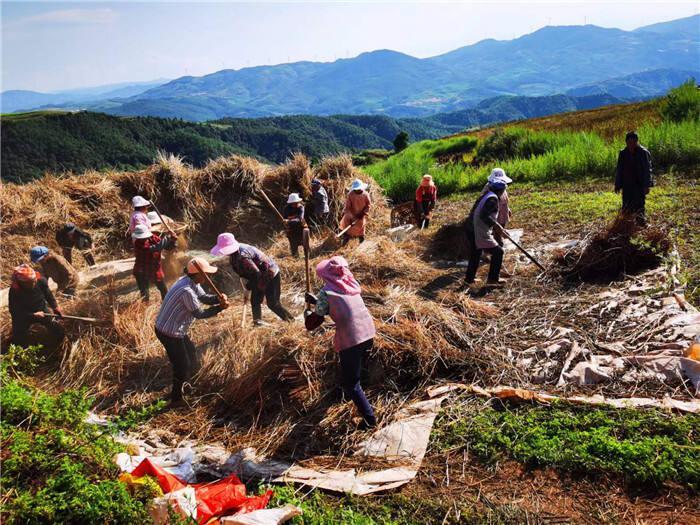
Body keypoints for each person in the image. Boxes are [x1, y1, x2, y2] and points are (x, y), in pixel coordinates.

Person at [304, 256, 377, 430]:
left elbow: (315, 320)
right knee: (358, 368)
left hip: (351, 339)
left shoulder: (326, 293)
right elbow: (337, 303)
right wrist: (316, 301)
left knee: (351, 383)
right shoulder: (351, 284)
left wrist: (308, 313)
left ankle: (369, 419)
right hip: (368, 332)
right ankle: (362, 391)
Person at [154, 257, 229, 405]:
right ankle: (176, 398)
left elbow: (204, 298)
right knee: (181, 365)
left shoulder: (190, 281)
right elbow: (199, 314)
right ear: (197, 275)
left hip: (175, 328)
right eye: (206, 274)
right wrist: (220, 308)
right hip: (169, 332)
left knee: (191, 352)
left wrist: (218, 298)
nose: (208, 276)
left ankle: (190, 384)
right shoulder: (186, 290)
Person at [210, 233, 294, 326]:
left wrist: (248, 286)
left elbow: (256, 274)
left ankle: (290, 320)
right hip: (258, 276)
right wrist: (248, 285)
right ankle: (258, 323)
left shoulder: (243, 256)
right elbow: (246, 273)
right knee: (255, 301)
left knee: (273, 304)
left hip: (269, 274)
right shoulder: (234, 255)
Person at [464, 180, 508, 287]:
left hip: (472, 228)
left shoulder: (487, 195)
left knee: (476, 252)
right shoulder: (492, 199)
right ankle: (493, 279)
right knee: (498, 252)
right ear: (501, 191)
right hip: (479, 230)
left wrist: (498, 227)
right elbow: (484, 216)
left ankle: (469, 279)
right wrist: (498, 227)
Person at [9, 264, 65, 347]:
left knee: (56, 328)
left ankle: (57, 346)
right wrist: (32, 315)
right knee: (18, 336)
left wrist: (55, 307)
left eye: (35, 280)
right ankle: (21, 351)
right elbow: (14, 311)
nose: (34, 282)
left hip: (41, 308)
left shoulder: (41, 281)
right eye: (30, 282)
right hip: (24, 313)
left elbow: (48, 294)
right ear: (22, 283)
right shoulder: (15, 291)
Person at [615, 131, 653, 224]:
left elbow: (647, 170)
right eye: (629, 142)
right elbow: (619, 169)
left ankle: (641, 224)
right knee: (626, 205)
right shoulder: (623, 153)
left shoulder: (643, 153)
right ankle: (627, 224)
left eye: (633, 142)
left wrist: (647, 185)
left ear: (637, 142)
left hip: (639, 184)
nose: (631, 145)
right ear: (626, 142)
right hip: (627, 184)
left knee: (639, 205)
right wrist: (617, 184)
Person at [132, 224, 174, 301]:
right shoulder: (138, 244)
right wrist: (168, 237)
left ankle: (166, 305)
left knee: (163, 289)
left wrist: (173, 239)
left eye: (143, 237)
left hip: (154, 268)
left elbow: (167, 247)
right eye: (140, 237)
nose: (142, 239)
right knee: (145, 293)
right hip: (141, 269)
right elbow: (156, 247)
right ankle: (144, 308)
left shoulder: (154, 238)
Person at [340, 179, 371, 245]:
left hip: (361, 215)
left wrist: (363, 214)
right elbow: (348, 206)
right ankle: (345, 242)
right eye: (355, 189)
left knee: (361, 229)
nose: (357, 190)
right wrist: (350, 217)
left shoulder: (365, 195)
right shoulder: (351, 195)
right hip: (352, 214)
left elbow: (368, 205)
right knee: (348, 229)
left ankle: (361, 242)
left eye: (358, 189)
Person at [282, 193, 306, 258]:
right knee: (293, 244)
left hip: (300, 228)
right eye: (292, 203)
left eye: (295, 203)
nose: (294, 204)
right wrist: (285, 222)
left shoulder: (301, 207)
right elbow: (285, 218)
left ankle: (305, 256)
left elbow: (300, 219)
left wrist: (289, 221)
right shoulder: (286, 208)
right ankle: (295, 257)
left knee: (303, 243)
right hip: (291, 229)